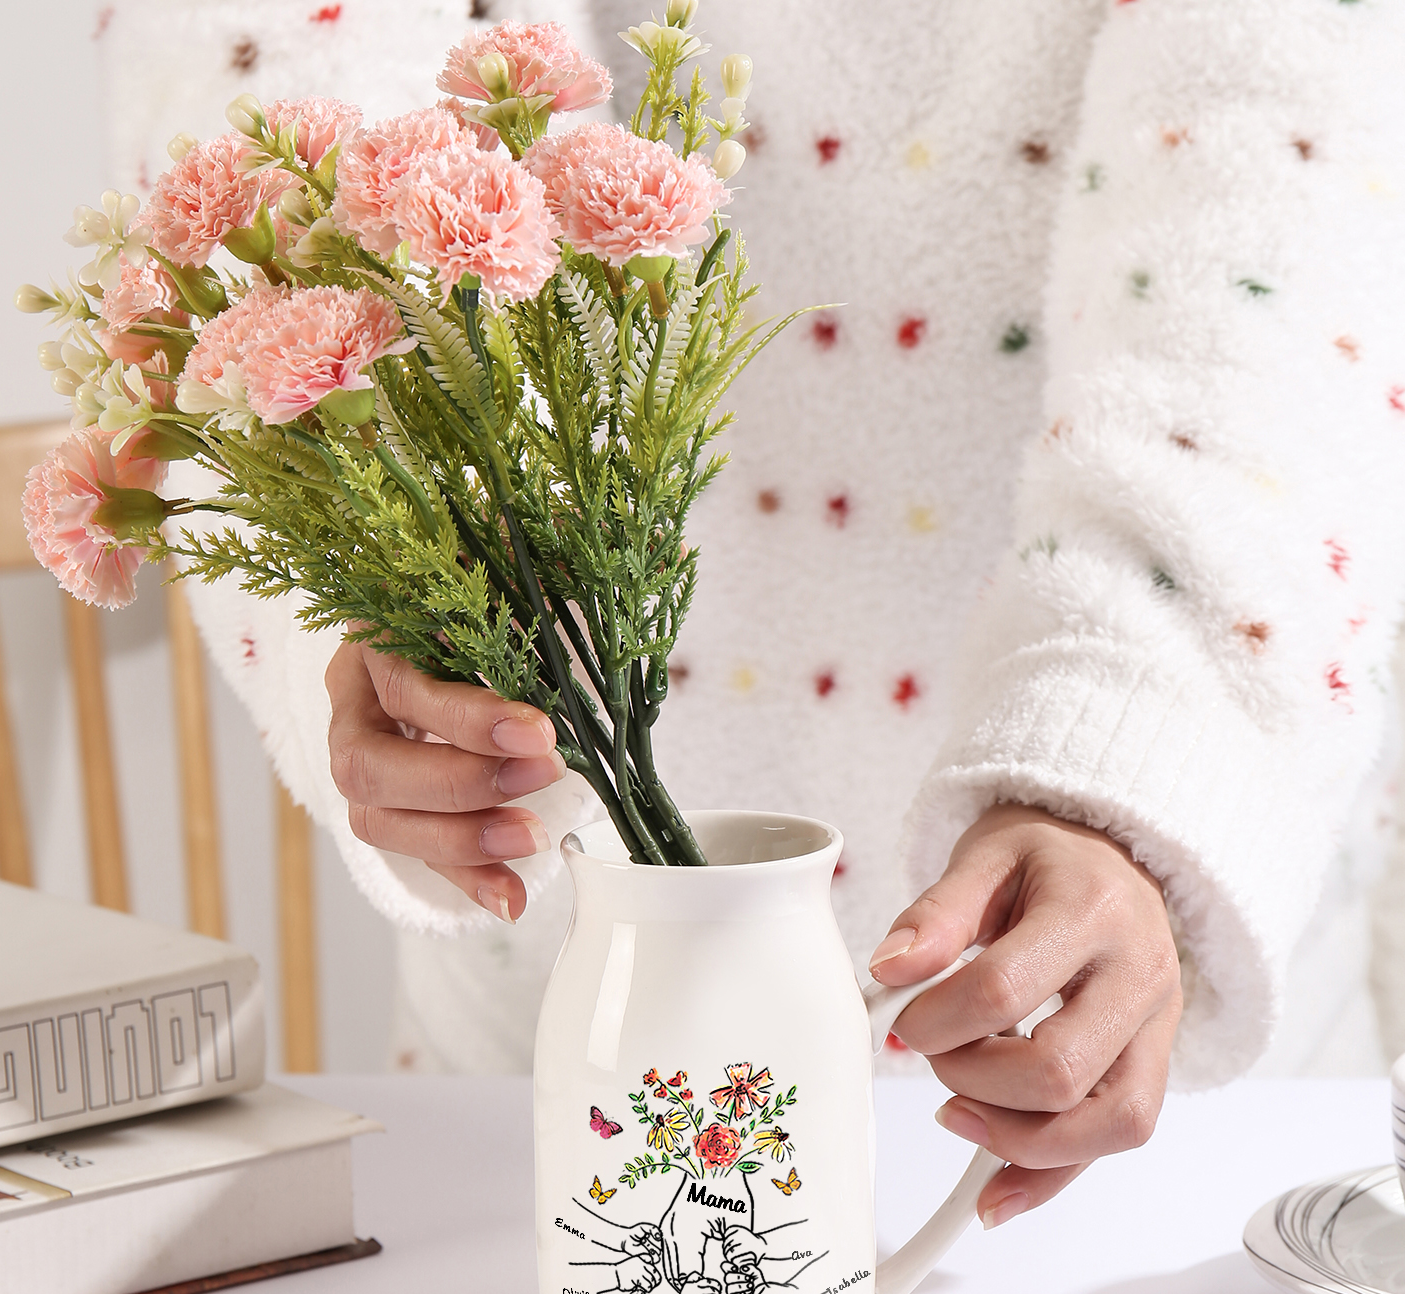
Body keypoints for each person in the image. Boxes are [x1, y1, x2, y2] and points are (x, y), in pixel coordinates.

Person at [102, 0, 1405, 1227]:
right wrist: (404, 561)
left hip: (1140, 1028)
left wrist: (1129, 750)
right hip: (551, 996)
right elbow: (260, 88)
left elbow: (1288, 202)